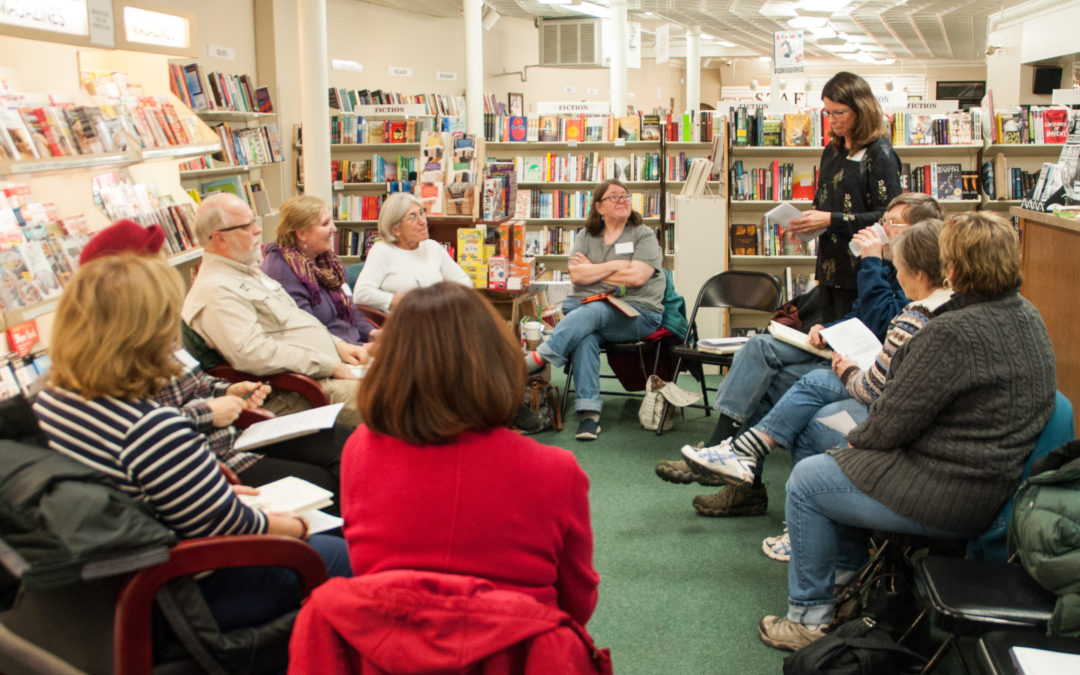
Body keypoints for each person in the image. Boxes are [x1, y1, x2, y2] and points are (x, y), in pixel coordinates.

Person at [757, 211, 1056, 651]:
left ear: (952, 268)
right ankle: (842, 587)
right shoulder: (1026, 315)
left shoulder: (952, 332)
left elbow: (884, 427)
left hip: (951, 492)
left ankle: (809, 618)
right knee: (835, 456)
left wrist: (852, 446)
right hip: (994, 481)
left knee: (808, 479)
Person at [32, 253, 351, 635]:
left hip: (95, 599)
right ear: (149, 333)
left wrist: (214, 492)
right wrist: (297, 527)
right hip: (181, 595)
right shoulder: (151, 428)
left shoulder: (48, 403)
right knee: (341, 552)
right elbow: (229, 525)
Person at [656, 192, 942, 517]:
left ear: (921, 232)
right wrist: (828, 327)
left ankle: (731, 470)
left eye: (891, 222)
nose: (881, 227)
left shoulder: (912, 273)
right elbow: (863, 315)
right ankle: (724, 456)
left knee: (763, 380)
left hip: (864, 372)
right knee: (759, 347)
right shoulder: (891, 266)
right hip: (844, 353)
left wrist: (872, 261)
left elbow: (887, 324)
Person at [341, 282, 599, 627]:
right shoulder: (556, 471)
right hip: (515, 652)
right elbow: (576, 605)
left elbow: (364, 570)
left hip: (391, 649)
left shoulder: (360, 449)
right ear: (499, 361)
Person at [79, 218, 347, 498]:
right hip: (204, 457)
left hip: (231, 433)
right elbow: (142, 429)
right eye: (155, 267)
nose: (164, 273)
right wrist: (209, 413)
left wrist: (228, 389)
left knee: (344, 441)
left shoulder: (156, 330)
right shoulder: (110, 356)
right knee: (324, 482)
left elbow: (195, 382)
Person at [181, 193, 367, 426]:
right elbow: (255, 354)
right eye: (247, 226)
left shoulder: (247, 272)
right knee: (403, 400)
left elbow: (295, 319)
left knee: (409, 379)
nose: (258, 230)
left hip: (325, 371)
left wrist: (338, 345)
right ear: (220, 239)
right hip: (299, 391)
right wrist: (329, 364)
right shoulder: (215, 290)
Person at [524, 179, 665, 440]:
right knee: (585, 333)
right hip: (592, 308)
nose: (622, 199)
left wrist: (595, 271)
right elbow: (577, 276)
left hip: (639, 313)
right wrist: (619, 265)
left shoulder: (642, 234)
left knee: (590, 313)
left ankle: (537, 359)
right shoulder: (586, 236)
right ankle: (590, 414)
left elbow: (637, 278)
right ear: (599, 207)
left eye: (625, 195)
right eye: (614, 197)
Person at [786, 71, 903, 323]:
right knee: (829, 341)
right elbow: (823, 204)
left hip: (864, 268)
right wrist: (805, 225)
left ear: (861, 110)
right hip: (831, 266)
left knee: (856, 343)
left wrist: (830, 220)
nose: (831, 120)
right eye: (827, 113)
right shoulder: (832, 151)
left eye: (838, 113)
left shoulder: (880, 154)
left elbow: (888, 216)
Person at [261, 195, 377, 345]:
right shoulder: (281, 270)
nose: (334, 229)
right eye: (325, 224)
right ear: (302, 233)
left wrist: (372, 333)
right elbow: (306, 332)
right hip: (330, 355)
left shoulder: (331, 263)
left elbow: (351, 312)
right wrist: (360, 349)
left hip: (355, 346)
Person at [351, 192, 471, 313]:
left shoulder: (432, 247)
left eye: (421, 213)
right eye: (412, 216)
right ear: (395, 229)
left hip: (438, 317)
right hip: (404, 323)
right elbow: (361, 293)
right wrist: (400, 300)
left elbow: (464, 280)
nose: (422, 222)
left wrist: (443, 298)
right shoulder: (382, 250)